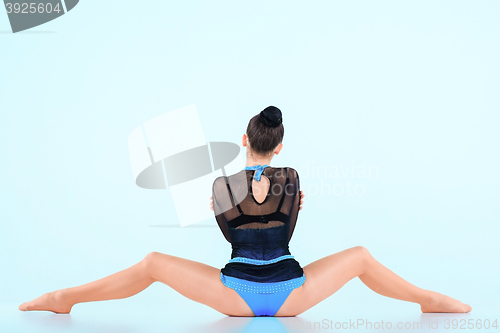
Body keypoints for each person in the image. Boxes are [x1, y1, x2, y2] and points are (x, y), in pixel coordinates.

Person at [18, 106, 471, 316]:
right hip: (293, 295)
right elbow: (284, 232)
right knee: (361, 257)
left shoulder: (220, 186)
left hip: (233, 295)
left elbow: (233, 238)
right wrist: (288, 204)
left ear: (243, 140)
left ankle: (65, 299)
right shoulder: (292, 179)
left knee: (152, 263)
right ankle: (430, 301)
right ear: (279, 146)